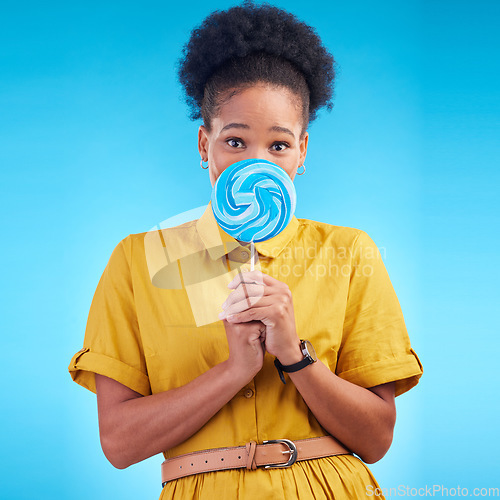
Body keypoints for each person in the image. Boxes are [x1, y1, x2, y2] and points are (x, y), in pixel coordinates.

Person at [68, 3, 423, 499]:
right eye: (235, 141)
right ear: (203, 144)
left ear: (302, 151)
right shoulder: (138, 260)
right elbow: (120, 444)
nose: (257, 161)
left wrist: (294, 355)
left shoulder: (350, 252)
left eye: (278, 146)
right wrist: (234, 370)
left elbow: (377, 437)